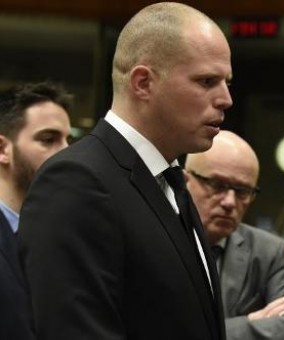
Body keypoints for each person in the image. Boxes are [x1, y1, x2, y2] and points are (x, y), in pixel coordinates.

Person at [18, 3, 232, 339]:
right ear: (143, 83)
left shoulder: (170, 178)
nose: (226, 98)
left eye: (226, 81)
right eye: (207, 81)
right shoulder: (77, 180)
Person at [185, 131, 284, 340]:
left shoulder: (268, 250)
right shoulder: (155, 239)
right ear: (184, 181)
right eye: (217, 185)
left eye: (242, 191)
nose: (230, 202)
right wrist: (250, 322)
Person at [0, 82, 71, 340]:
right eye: (48, 139)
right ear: (2, 150)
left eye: (68, 139)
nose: (66, 152)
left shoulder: (59, 238)